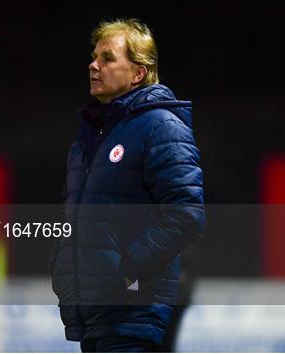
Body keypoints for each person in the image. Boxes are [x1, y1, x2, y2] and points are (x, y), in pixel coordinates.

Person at [50, 19, 205, 352]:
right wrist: (63, 269)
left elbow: (186, 214)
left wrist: (127, 270)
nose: (93, 65)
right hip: (95, 312)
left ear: (138, 73)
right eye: (94, 57)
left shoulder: (161, 127)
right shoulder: (91, 134)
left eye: (107, 58)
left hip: (132, 311)